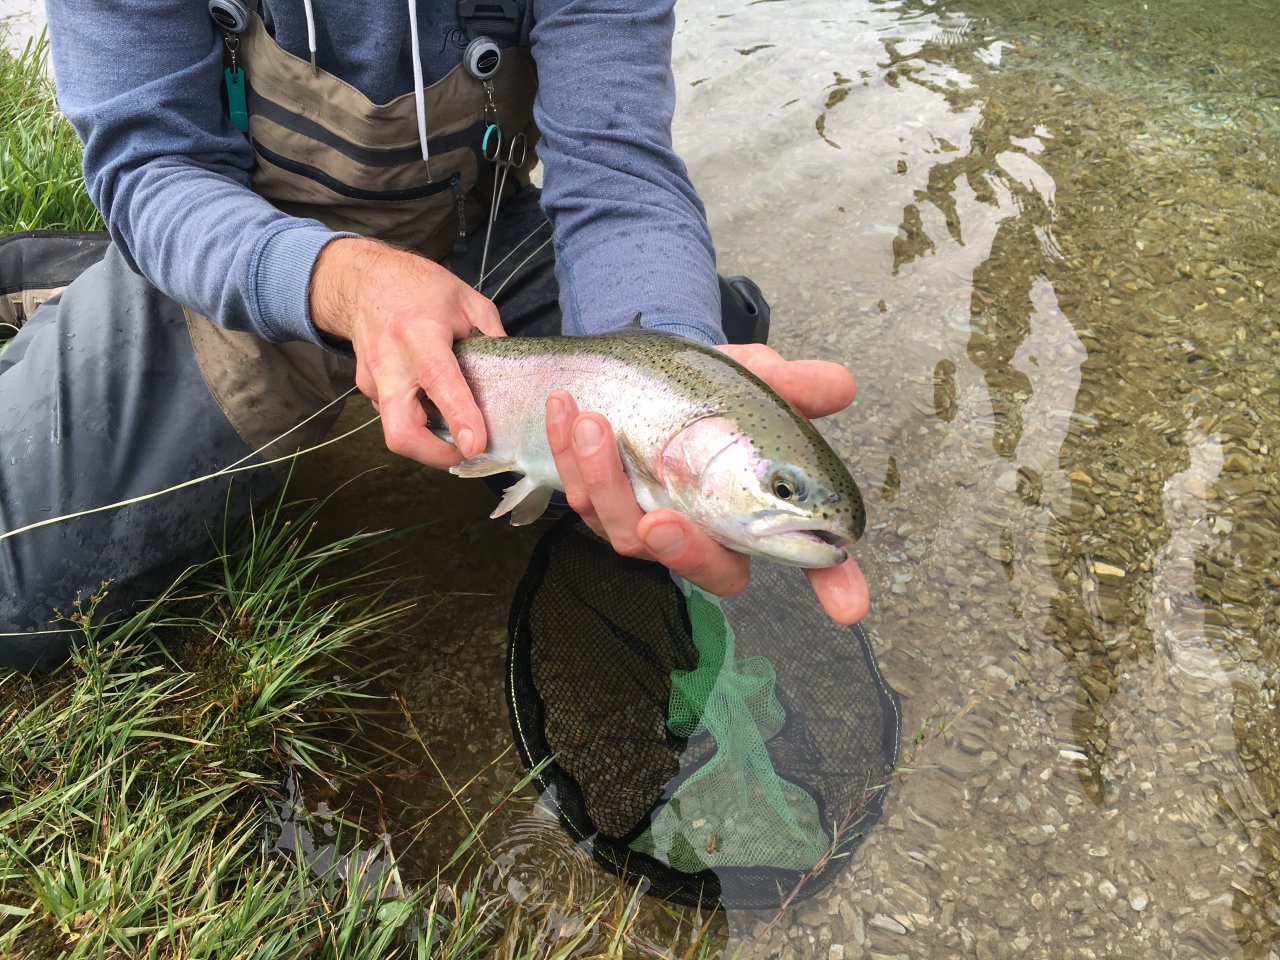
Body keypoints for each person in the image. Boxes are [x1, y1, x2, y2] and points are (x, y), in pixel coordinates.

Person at [0, 0, 867, 672]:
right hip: (243, 244)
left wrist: (678, 351)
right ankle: (69, 288)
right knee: (19, 600)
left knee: (722, 329)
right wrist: (342, 280)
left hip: (469, 246)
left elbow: (615, 170)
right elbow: (151, 165)